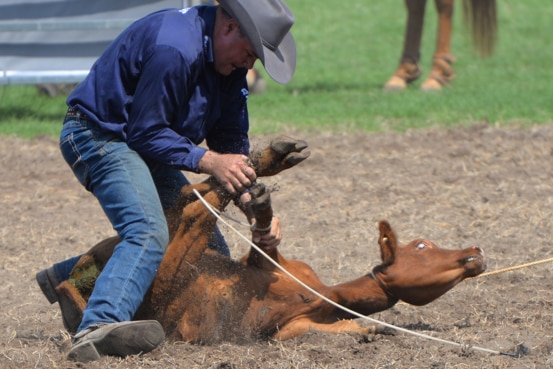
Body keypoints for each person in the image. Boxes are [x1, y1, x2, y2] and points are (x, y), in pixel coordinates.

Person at [35, 0, 296, 362]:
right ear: (229, 28)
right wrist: (207, 160)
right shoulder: (174, 49)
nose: (249, 65)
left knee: (205, 257)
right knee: (147, 232)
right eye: (251, 53)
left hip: (146, 144)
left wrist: (255, 212)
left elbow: (231, 140)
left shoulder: (228, 63)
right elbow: (145, 131)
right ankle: (96, 328)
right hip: (99, 135)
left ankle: (72, 276)